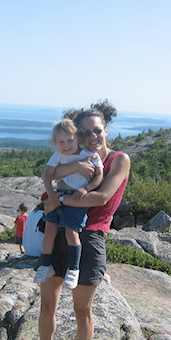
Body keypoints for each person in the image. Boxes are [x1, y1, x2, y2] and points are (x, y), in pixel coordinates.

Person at [33, 100, 130, 340]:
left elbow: (100, 199)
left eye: (97, 130)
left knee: (81, 309)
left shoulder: (117, 159)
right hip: (58, 232)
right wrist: (62, 182)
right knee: (47, 304)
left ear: (106, 129)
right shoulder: (71, 154)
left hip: (90, 239)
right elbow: (48, 185)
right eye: (85, 131)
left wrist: (58, 200)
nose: (92, 136)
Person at [34, 119, 104, 290]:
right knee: (49, 231)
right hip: (58, 196)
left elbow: (99, 176)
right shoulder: (58, 155)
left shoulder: (89, 155)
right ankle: (46, 265)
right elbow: (47, 175)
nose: (66, 145)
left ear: (77, 138)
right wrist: (51, 196)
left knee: (72, 234)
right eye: (61, 142)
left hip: (77, 200)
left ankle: (73, 269)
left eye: (69, 140)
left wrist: (86, 189)